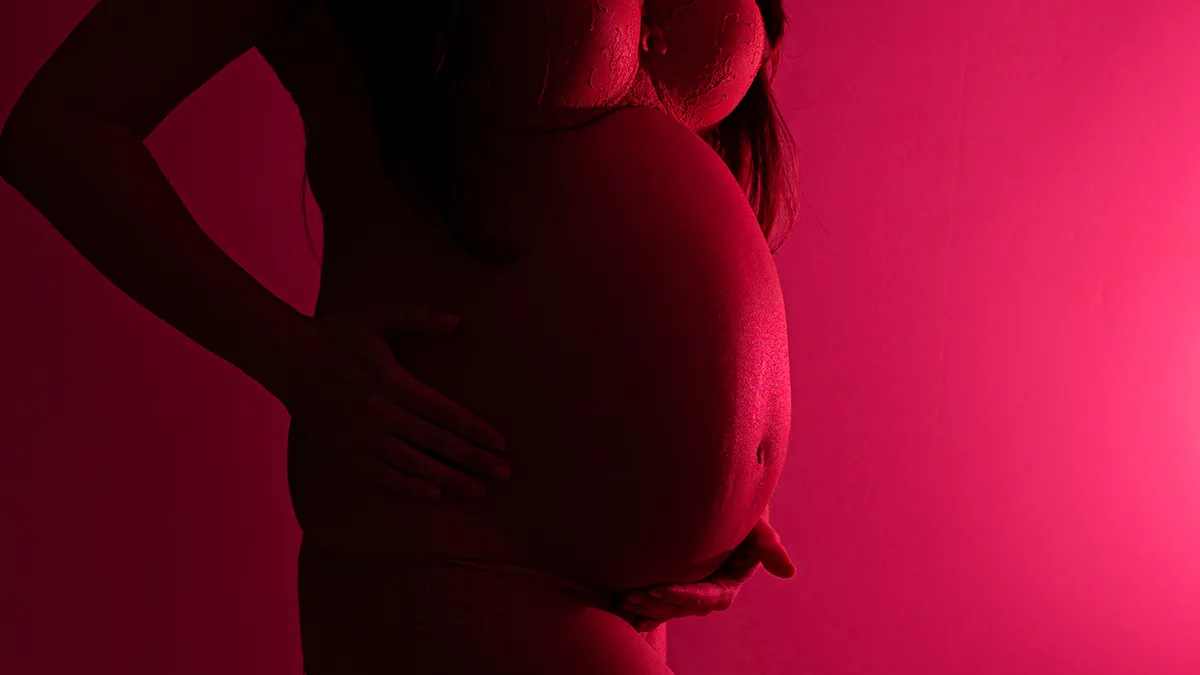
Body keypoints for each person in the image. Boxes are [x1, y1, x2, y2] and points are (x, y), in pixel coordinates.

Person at [0, 0, 802, 672]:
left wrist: (715, 512)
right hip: (450, 541)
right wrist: (292, 357)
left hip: (630, 597)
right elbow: (63, 127)